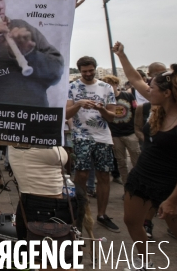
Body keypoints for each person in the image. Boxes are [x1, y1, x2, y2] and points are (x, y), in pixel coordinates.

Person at [113, 42, 177, 270]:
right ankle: (144, 263)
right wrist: (122, 55)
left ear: (167, 93)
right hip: (141, 177)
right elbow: (134, 79)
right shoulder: (158, 108)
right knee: (132, 221)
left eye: (152, 88)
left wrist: (173, 200)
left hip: (169, 187)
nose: (147, 90)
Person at [66, 56, 119, 233]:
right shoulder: (72, 87)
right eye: (84, 71)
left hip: (102, 137)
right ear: (79, 71)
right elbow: (66, 114)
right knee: (81, 174)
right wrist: (79, 104)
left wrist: (101, 109)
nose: (88, 74)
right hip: (81, 136)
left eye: (91, 70)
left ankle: (102, 214)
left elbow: (112, 116)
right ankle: (79, 212)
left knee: (104, 175)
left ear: (95, 69)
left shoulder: (106, 88)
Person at [101, 75, 141, 185]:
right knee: (121, 163)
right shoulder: (104, 101)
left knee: (137, 161)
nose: (109, 87)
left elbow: (136, 112)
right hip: (115, 135)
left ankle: (139, 185)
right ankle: (127, 187)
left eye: (111, 84)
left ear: (116, 85)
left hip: (130, 133)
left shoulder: (128, 96)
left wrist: (137, 128)